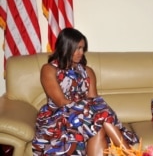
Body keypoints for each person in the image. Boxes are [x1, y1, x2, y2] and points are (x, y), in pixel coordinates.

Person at [32, 27, 139, 156]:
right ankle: (129, 152)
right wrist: (92, 112)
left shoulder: (87, 71)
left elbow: (94, 99)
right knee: (100, 115)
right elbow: (61, 101)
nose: (81, 52)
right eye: (77, 48)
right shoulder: (49, 69)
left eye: (83, 48)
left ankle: (128, 153)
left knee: (98, 125)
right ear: (65, 47)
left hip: (86, 116)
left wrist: (93, 113)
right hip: (58, 117)